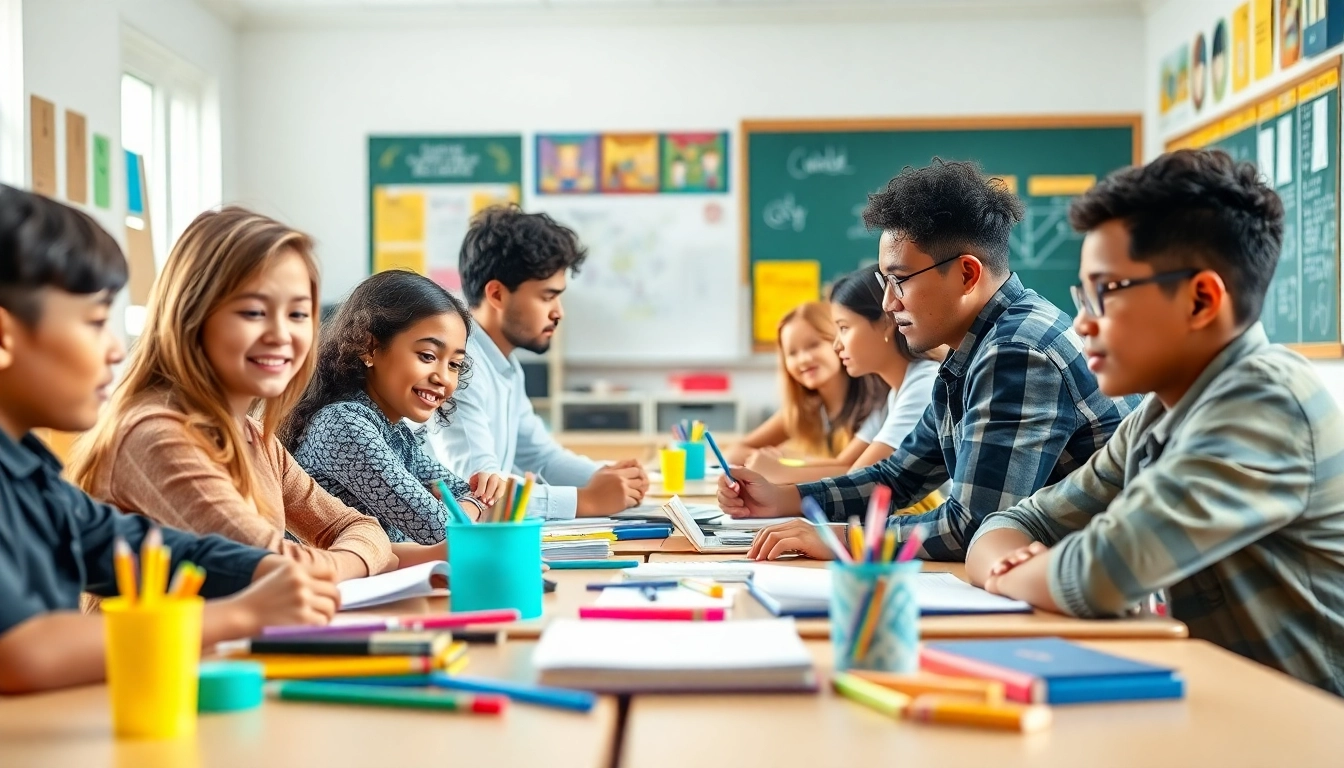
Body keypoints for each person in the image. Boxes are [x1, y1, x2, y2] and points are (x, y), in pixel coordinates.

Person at [965, 149, 1344, 696]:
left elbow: (1100, 574)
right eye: (1082, 295)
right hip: (1218, 711)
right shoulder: (1158, 414)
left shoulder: (1265, 402)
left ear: (1200, 300)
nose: (1083, 323)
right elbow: (1015, 524)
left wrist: (1011, 575)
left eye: (1106, 292)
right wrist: (1025, 565)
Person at [0, 186, 339, 694]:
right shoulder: (151, 429)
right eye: (96, 323)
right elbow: (23, 651)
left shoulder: (28, 471)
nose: (116, 348)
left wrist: (262, 568)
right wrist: (241, 612)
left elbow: (141, 547)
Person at [728, 159, 1140, 562]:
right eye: (884, 282)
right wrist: (785, 497)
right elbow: (899, 477)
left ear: (966, 274)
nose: (889, 303)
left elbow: (973, 526)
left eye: (900, 280)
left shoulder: (1016, 351)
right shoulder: (973, 349)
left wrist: (842, 539)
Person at [69, 207, 440, 579]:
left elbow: (356, 527)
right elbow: (273, 565)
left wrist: (371, 555)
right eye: (253, 312)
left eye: (297, 314)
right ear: (192, 316)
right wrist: (359, 559)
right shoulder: (156, 435)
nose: (281, 334)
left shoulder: (253, 437)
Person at [420, 205, 648, 519]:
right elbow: (476, 490)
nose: (558, 312)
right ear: (497, 294)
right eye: (546, 296)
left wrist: (605, 477)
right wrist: (588, 500)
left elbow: (540, 456)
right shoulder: (461, 367)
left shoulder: (504, 363)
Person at [281, 270, 508, 543]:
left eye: (454, 364)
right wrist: (479, 504)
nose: (443, 378)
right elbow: (438, 529)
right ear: (369, 347)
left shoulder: (394, 432)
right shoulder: (343, 425)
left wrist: (479, 499)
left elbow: (459, 493)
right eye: (427, 355)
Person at [726, 301, 888, 476]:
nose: (803, 359)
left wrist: (782, 465)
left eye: (813, 345)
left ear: (839, 342)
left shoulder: (875, 406)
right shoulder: (804, 409)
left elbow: (851, 471)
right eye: (792, 353)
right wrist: (766, 461)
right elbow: (734, 453)